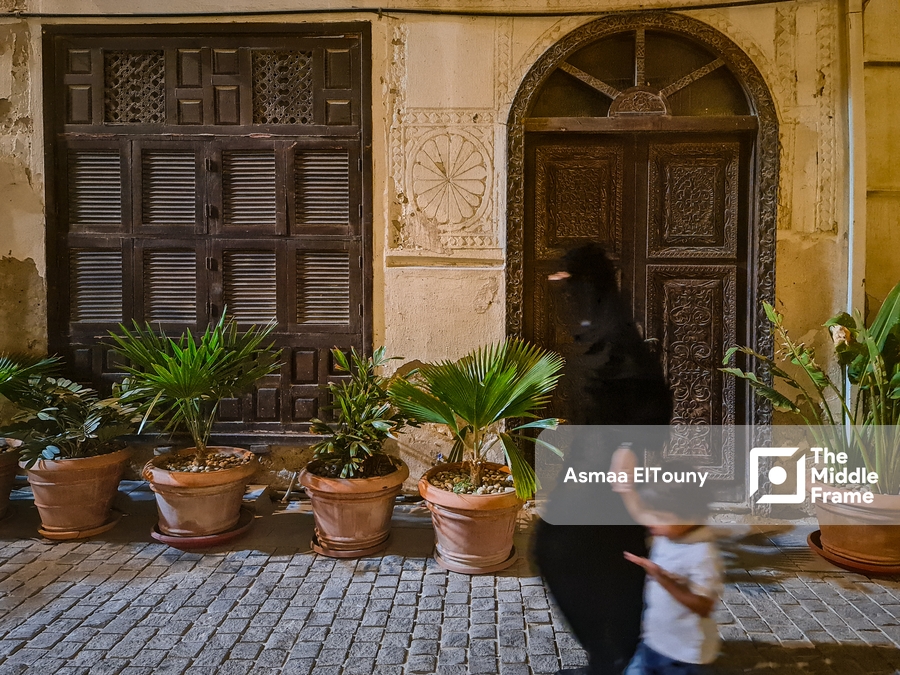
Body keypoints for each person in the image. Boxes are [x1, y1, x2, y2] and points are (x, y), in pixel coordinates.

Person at [532, 244, 673, 675]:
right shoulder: (593, 335)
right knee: (607, 562)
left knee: (570, 553)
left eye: (572, 286)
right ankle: (613, 655)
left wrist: (628, 451)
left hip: (610, 479)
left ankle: (615, 656)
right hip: (588, 474)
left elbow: (655, 403)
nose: (565, 298)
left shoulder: (617, 341)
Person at [612, 448, 723, 675]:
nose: (650, 522)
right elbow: (642, 513)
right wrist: (626, 489)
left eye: (660, 517)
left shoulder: (702, 553)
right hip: (653, 642)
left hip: (685, 657)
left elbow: (704, 606)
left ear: (689, 514)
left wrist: (661, 577)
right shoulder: (668, 532)